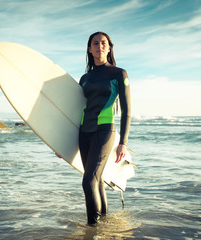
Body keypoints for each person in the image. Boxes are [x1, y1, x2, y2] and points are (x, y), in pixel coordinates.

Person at [78, 31, 131, 225]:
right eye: (95, 43)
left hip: (104, 131)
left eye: (103, 43)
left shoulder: (118, 74)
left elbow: (126, 111)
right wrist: (59, 140)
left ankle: (92, 229)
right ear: (89, 49)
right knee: (96, 179)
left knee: (88, 181)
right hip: (84, 133)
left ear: (109, 48)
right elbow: (75, 109)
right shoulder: (84, 78)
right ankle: (104, 225)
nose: (99, 46)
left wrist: (123, 143)